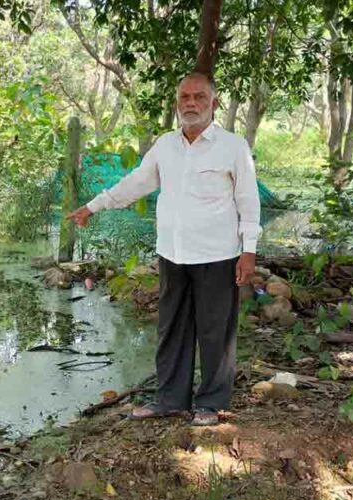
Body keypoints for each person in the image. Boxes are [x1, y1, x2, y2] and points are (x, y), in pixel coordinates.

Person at [67, 72, 260, 427]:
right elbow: (136, 183)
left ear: (213, 103)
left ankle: (211, 403)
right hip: (173, 253)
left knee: (215, 330)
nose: (191, 103)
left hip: (217, 254)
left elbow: (248, 201)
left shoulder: (233, 147)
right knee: (171, 327)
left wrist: (249, 251)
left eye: (199, 97)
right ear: (176, 103)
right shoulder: (165, 145)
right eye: (184, 97)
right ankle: (171, 399)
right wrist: (93, 206)